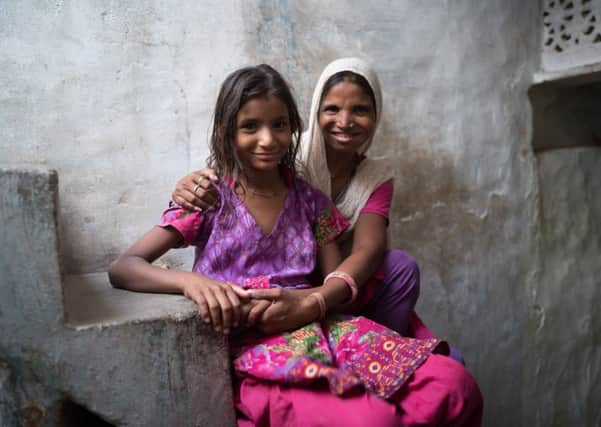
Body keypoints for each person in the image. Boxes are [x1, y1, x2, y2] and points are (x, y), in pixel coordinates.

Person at [110, 63, 482, 426]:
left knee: (455, 386)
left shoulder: (311, 202)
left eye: (279, 125)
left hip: (322, 326)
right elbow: (124, 267)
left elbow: (334, 280)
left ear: (293, 128)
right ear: (226, 131)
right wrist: (191, 284)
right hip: (255, 348)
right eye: (250, 127)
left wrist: (310, 303)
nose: (268, 140)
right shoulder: (210, 199)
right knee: (373, 419)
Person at [171, 58, 464, 363]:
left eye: (361, 110)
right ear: (314, 112)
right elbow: (232, 171)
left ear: (377, 115)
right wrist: (191, 185)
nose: (345, 121)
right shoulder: (282, 152)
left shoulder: (372, 176)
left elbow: (369, 249)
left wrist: (316, 300)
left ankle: (375, 356)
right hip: (289, 285)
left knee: (404, 274)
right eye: (332, 109)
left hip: (338, 283)